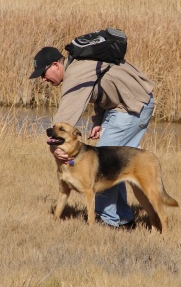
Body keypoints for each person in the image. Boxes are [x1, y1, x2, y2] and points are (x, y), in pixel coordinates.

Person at [29, 46, 155, 229]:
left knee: (103, 161)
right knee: (118, 165)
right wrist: (98, 120)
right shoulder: (80, 66)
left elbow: (65, 117)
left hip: (133, 106)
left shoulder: (75, 74)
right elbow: (101, 87)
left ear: (56, 65)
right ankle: (125, 221)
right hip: (125, 104)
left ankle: (109, 221)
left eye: (43, 73)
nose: (43, 79)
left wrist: (53, 144)